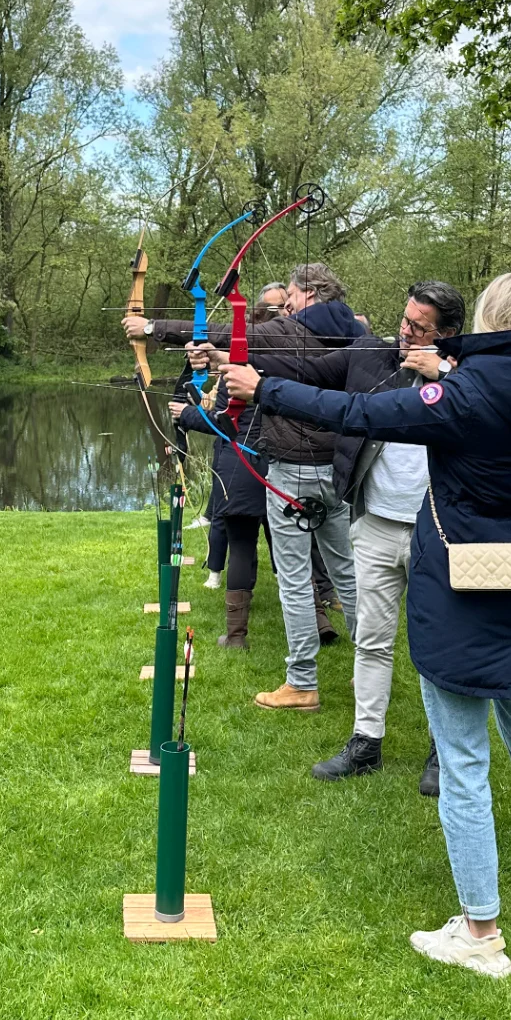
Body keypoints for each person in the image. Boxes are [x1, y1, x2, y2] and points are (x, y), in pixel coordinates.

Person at [220, 270, 511, 980]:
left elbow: (356, 412)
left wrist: (262, 387)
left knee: (462, 761)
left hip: (462, 592)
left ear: (484, 322)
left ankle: (480, 931)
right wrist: (452, 363)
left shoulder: (462, 397)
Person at [231, 279, 466, 788]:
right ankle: (365, 742)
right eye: (405, 321)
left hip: (437, 529)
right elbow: (305, 372)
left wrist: (446, 375)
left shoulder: (468, 373)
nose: (406, 333)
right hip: (377, 521)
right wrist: (229, 353)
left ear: (447, 334)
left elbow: (493, 413)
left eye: (420, 328)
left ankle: (442, 751)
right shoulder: (371, 355)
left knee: (438, 645)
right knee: (372, 640)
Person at [126, 263, 360, 711]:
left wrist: (151, 327)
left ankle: (302, 682)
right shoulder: (356, 333)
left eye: (291, 297)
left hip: (293, 470)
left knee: (294, 580)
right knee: (345, 574)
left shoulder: (294, 331)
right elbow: (248, 348)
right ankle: (370, 673)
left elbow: (227, 332)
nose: (286, 307)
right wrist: (221, 359)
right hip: (339, 472)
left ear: (310, 294)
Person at [171, 388, 270, 646]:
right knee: (295, 551)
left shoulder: (237, 374)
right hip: (285, 466)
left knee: (241, 547)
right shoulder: (286, 369)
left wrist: (186, 413)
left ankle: (236, 637)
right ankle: (320, 620)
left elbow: (225, 421)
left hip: (242, 465)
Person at [201, 289, 284, 585]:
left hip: (248, 461)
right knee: (276, 539)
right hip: (262, 460)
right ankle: (309, 598)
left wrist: (187, 414)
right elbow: (222, 412)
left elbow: (220, 417)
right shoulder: (284, 365)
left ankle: (236, 617)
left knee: (243, 541)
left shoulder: (249, 368)